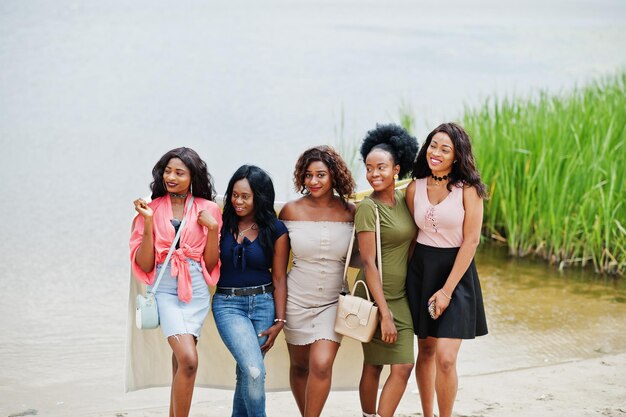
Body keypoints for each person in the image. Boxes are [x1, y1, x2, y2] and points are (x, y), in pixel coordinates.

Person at [130, 147, 222, 417]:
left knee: (181, 363)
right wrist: (147, 223)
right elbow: (145, 265)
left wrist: (213, 229)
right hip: (166, 290)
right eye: (167, 171)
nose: (171, 177)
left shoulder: (209, 209)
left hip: (196, 291)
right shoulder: (152, 207)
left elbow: (210, 263)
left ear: (193, 176)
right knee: (189, 360)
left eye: (179, 172)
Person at [405, 122, 488, 417]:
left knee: (446, 357)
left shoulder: (469, 190)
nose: (436, 153)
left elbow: (472, 240)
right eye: (433, 145)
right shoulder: (414, 187)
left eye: (445, 148)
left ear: (457, 155)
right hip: (421, 272)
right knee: (425, 352)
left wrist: (446, 291)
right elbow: (410, 236)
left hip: (457, 274)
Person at [278, 146, 356, 417]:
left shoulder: (351, 212)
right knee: (299, 367)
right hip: (296, 300)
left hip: (334, 302)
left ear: (334, 175)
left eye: (321, 175)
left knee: (321, 364)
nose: (313, 181)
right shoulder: (290, 211)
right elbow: (277, 268)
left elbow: (368, 256)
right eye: (308, 175)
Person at [213, 165, 289, 417]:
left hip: (264, 304)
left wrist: (280, 321)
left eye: (245, 196)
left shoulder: (275, 230)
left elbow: (279, 277)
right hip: (228, 304)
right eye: (234, 195)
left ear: (261, 197)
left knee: (246, 374)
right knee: (255, 371)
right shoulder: (221, 224)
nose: (238, 201)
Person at [355, 124, 419, 417]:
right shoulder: (368, 208)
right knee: (375, 363)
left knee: (404, 366)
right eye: (369, 168)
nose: (373, 174)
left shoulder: (406, 200)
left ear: (396, 169)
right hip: (376, 297)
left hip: (400, 296)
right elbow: (368, 262)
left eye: (381, 167)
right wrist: (384, 312)